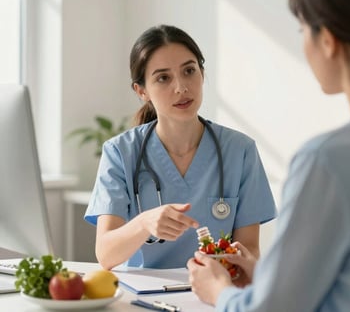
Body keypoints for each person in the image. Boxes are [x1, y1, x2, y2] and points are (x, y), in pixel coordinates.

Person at [187, 0, 350, 310]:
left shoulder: (327, 161)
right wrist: (270, 276)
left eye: (303, 31)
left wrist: (218, 291)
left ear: (328, 40)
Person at [84, 24, 276, 270]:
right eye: (163, 78)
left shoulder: (240, 151)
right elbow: (106, 254)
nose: (181, 87)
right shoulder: (120, 153)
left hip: (214, 296)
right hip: (142, 299)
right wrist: (144, 223)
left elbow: (249, 250)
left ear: (202, 74)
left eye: (189, 71)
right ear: (141, 91)